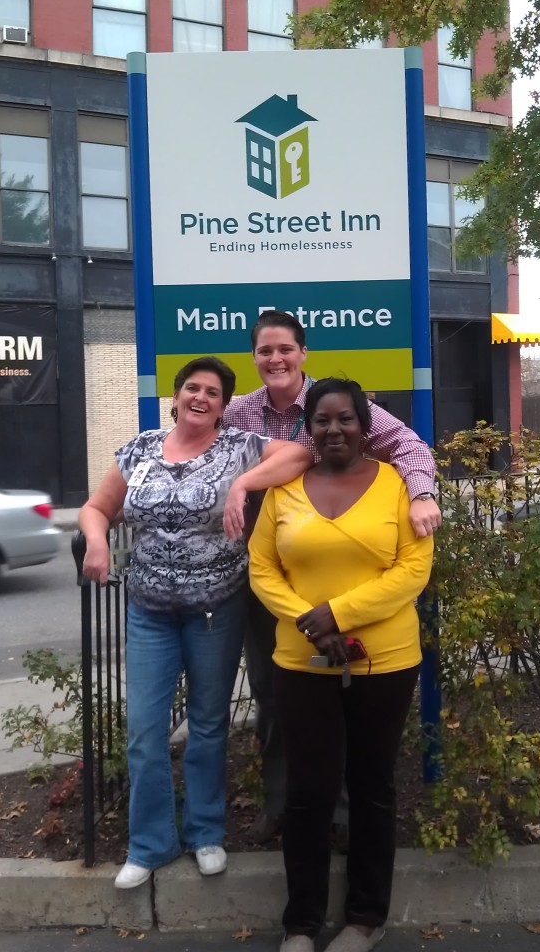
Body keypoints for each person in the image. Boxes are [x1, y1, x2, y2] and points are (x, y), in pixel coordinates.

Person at [79, 356, 313, 890]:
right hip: (149, 612)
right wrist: (96, 539)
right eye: (192, 388)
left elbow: (301, 452)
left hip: (216, 609)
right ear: (177, 395)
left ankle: (206, 832)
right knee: (144, 730)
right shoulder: (140, 449)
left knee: (208, 726)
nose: (200, 397)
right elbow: (97, 507)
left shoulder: (238, 446)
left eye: (212, 391)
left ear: (224, 406)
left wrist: (242, 484)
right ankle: (150, 844)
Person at [223, 310, 441, 844]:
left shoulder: (334, 404)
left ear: (303, 354)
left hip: (349, 585)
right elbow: (205, 458)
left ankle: (343, 812)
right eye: (265, 351)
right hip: (271, 570)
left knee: (352, 701)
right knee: (275, 694)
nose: (275, 359)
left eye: (285, 349)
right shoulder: (237, 413)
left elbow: (408, 446)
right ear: (254, 358)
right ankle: (283, 803)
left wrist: (422, 494)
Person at [247, 377, 434, 952]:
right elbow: (261, 569)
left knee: (372, 788)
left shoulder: (398, 486)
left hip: (386, 662)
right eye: (322, 420)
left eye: (345, 419)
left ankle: (364, 918)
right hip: (301, 664)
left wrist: (338, 614)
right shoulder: (284, 490)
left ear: (365, 425)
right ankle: (300, 923)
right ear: (308, 428)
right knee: (308, 792)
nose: (333, 429)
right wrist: (310, 621)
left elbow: (412, 570)